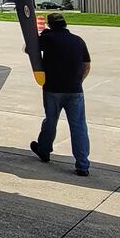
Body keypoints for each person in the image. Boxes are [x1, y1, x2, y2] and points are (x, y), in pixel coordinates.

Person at [29, 13, 92, 176]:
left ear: (50, 24)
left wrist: (41, 35)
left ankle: (44, 150)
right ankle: (83, 165)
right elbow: (87, 65)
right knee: (78, 126)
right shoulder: (78, 40)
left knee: (50, 121)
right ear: (65, 24)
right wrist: (78, 81)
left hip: (52, 89)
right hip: (75, 90)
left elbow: (29, 48)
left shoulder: (48, 39)